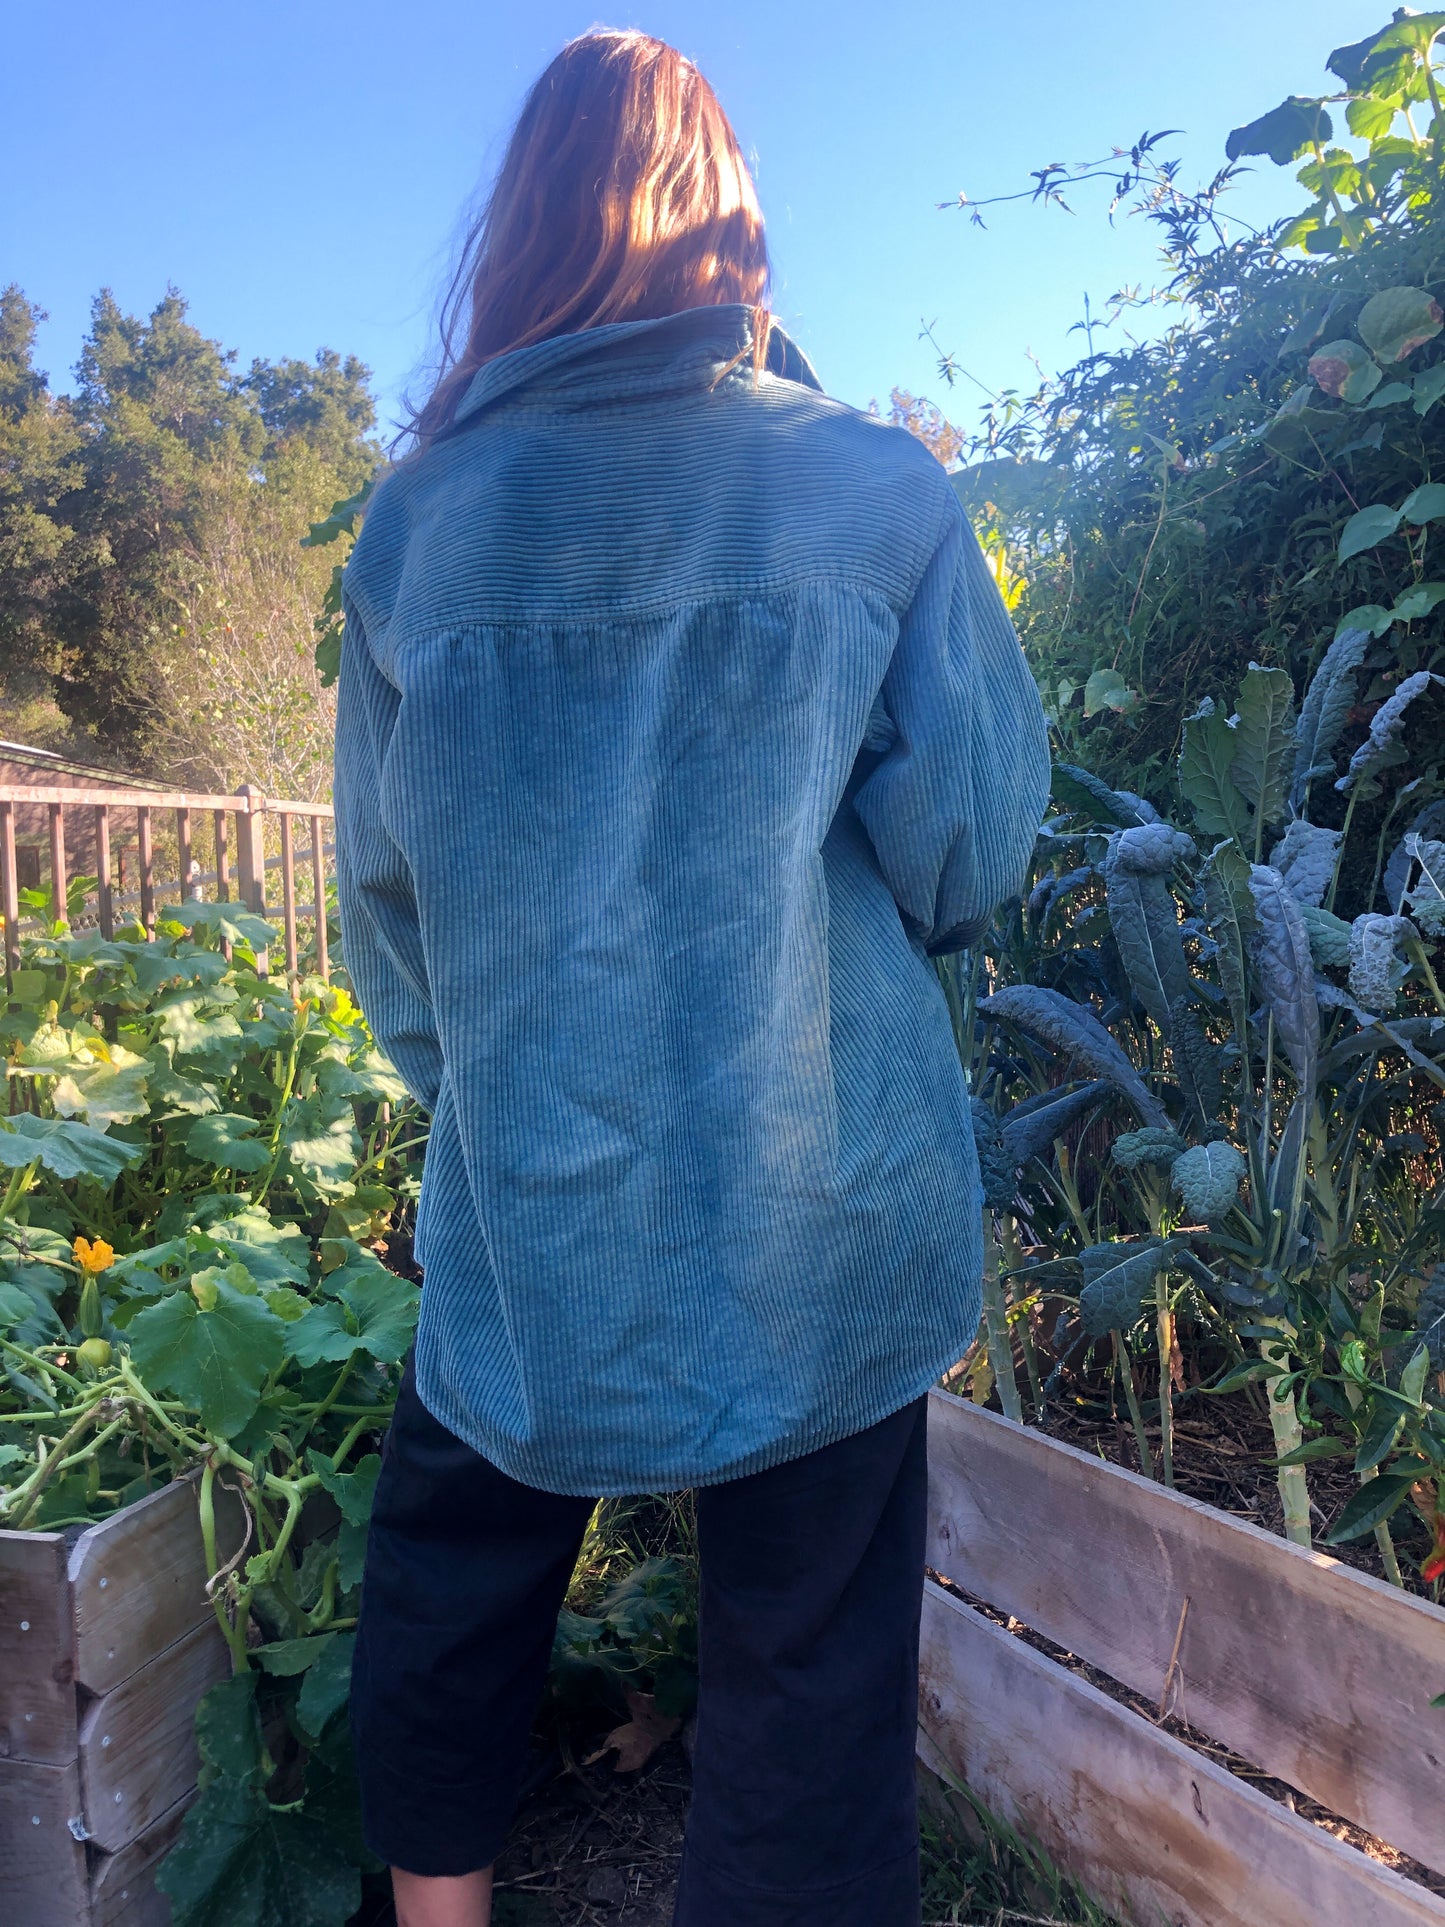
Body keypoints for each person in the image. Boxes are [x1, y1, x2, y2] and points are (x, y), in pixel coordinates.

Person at [333, 27, 1050, 1927]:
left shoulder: (417, 530)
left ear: (520, 228)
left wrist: (495, 1093)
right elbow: (969, 848)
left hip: (532, 1202)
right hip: (820, 1195)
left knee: (451, 1568)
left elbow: (386, 909)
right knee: (808, 1655)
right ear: (728, 217)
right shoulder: (871, 490)